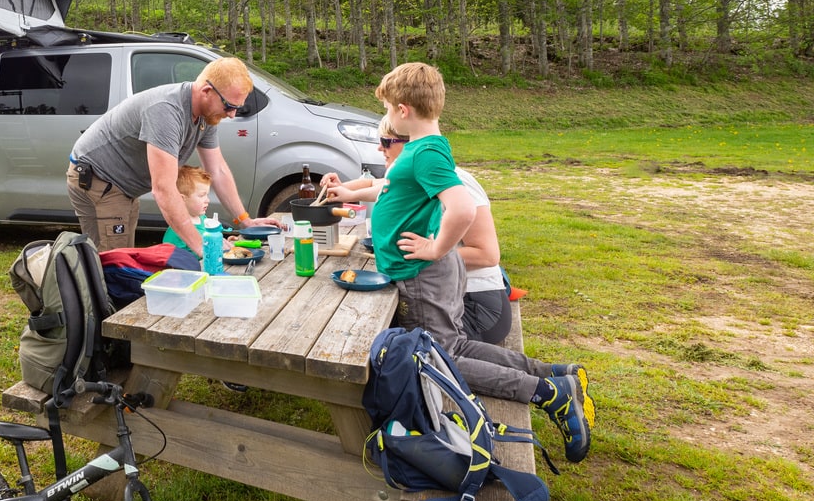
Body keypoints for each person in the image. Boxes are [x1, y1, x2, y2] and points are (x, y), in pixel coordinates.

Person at [362, 62, 594, 463]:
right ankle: (553, 374)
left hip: (422, 274)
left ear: (403, 109)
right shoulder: (427, 147)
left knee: (436, 356)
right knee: (457, 343)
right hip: (429, 272)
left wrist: (435, 248)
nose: (386, 118)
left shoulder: (422, 152)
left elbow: (462, 209)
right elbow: (396, 193)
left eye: (386, 108)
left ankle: (546, 394)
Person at [323, 117, 511, 344]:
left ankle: (542, 378)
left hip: (477, 305)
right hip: (448, 297)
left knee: (393, 341)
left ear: (409, 142)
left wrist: (426, 252)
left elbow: (488, 254)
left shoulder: (451, 180)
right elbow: (377, 185)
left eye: (385, 141)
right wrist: (340, 187)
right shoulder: (415, 175)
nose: (379, 147)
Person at [67, 57, 277, 255]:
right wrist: (202, 248)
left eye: (237, 108)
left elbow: (218, 170)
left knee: (123, 255)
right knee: (112, 261)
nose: (231, 114)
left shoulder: (208, 115)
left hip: (125, 186)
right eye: (229, 106)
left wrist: (245, 221)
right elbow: (164, 189)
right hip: (98, 178)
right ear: (206, 91)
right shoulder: (166, 111)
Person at [161, 165, 212, 248]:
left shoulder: (202, 218)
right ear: (182, 199)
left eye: (207, 195)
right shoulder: (177, 234)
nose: (208, 200)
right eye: (202, 195)